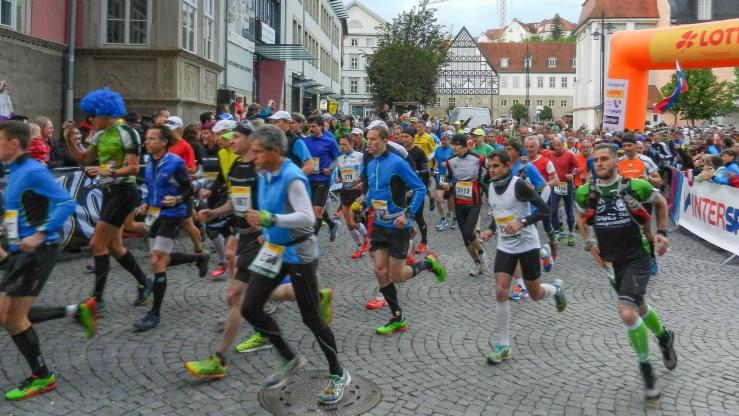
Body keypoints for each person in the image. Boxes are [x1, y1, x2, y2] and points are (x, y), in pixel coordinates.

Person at [238, 124, 348, 405]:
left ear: (275, 152)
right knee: (250, 307)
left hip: (299, 254)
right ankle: (289, 358)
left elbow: (306, 218)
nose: (255, 157)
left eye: (259, 152)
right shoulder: (264, 173)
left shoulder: (293, 176)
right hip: (273, 250)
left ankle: (338, 373)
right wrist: (264, 228)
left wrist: (270, 219)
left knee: (311, 318)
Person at [0, 121, 96, 401]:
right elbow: (16, 209)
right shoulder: (14, 170)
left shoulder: (33, 170)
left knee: (13, 318)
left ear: (14, 144)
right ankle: (75, 312)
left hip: (40, 251)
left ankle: (42, 377)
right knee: (6, 313)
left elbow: (66, 202)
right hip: (21, 251)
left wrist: (40, 234)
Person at [575, 144, 676, 400]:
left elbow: (661, 202)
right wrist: (588, 242)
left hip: (637, 257)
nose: (599, 163)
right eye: (595, 160)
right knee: (638, 305)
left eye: (605, 159)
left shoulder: (635, 186)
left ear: (616, 162)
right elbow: (580, 218)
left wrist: (661, 234)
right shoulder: (585, 192)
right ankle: (664, 337)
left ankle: (646, 370)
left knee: (626, 311)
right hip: (610, 262)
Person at [65, 88, 151, 308]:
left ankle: (97, 298)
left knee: (97, 243)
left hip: (124, 192)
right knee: (114, 246)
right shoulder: (100, 135)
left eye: (95, 115)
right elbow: (85, 159)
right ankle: (145, 282)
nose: (91, 120)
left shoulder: (127, 132)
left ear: (107, 113)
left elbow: (133, 168)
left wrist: (108, 172)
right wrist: (69, 139)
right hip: (108, 192)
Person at [480, 150, 566, 364]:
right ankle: (504, 346)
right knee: (501, 291)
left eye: (496, 166)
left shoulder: (518, 184)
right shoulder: (490, 187)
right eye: (490, 166)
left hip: (527, 245)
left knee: (535, 294)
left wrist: (522, 222)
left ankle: (556, 289)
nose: (492, 170)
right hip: (505, 246)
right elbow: (499, 213)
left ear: (507, 166)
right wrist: (491, 229)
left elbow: (545, 209)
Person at [364, 124, 446, 335]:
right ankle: (397, 317)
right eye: (368, 139)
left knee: (397, 275)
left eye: (374, 139)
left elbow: (419, 188)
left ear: (384, 141)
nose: (370, 143)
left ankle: (428, 263)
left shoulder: (398, 163)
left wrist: (407, 214)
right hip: (381, 225)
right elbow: (374, 190)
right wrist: (363, 204)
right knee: (379, 270)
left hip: (398, 225)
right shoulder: (371, 163)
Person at [132, 125, 210, 331]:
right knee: (159, 260)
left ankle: (154, 314)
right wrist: (145, 202)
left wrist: (178, 199)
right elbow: (151, 188)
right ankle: (198, 257)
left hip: (172, 215)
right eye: (146, 139)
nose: (147, 142)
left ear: (164, 141)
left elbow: (189, 189)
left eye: (152, 139)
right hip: (154, 214)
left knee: (157, 261)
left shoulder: (175, 163)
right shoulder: (149, 162)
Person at [444, 134, 488, 276]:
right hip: (459, 201)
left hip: (474, 201)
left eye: (457, 145)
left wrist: (486, 184)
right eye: (453, 144)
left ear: (465, 145)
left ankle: (482, 253)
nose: (454, 147)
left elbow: (492, 168)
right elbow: (448, 176)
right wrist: (445, 183)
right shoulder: (450, 161)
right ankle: (476, 263)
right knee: (465, 237)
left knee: (469, 231)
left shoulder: (478, 159)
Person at [304, 115, 340, 240]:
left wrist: (330, 168)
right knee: (312, 208)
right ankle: (332, 224)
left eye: (313, 126)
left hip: (322, 181)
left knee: (317, 210)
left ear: (321, 126)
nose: (311, 129)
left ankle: (311, 240)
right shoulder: (305, 141)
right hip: (308, 180)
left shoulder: (329, 141)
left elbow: (337, 158)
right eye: (309, 127)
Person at [335, 134, 368, 259]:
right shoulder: (340, 159)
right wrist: (338, 178)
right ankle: (359, 245)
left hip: (356, 192)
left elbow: (366, 171)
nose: (342, 147)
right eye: (341, 144)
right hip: (345, 191)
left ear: (352, 144)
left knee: (353, 222)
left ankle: (366, 239)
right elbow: (340, 174)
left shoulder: (360, 156)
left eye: (345, 144)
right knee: (349, 224)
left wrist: (363, 182)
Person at [399, 126, 431, 254]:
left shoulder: (419, 152)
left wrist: (418, 189)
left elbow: (425, 173)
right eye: (403, 136)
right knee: (401, 215)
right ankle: (408, 236)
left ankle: (424, 242)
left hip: (416, 190)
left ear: (413, 138)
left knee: (418, 217)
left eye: (407, 137)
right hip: (401, 190)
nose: (404, 139)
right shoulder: (399, 152)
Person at [548, 138, 583, 247]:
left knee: (569, 211)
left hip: (567, 185)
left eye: (559, 145)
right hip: (556, 185)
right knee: (553, 210)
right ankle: (557, 232)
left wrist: (572, 174)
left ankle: (571, 234)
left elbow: (579, 166)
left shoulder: (569, 155)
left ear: (563, 145)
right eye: (555, 145)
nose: (557, 147)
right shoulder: (549, 155)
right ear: (552, 145)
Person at [432, 132, 454, 230]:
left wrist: (448, 164)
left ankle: (453, 218)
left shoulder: (453, 150)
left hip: (450, 178)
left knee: (450, 202)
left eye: (445, 139)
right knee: (438, 199)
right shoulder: (438, 149)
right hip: (440, 177)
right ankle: (443, 218)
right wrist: (435, 171)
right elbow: (436, 163)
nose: (443, 141)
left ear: (450, 140)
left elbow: (457, 163)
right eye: (442, 139)